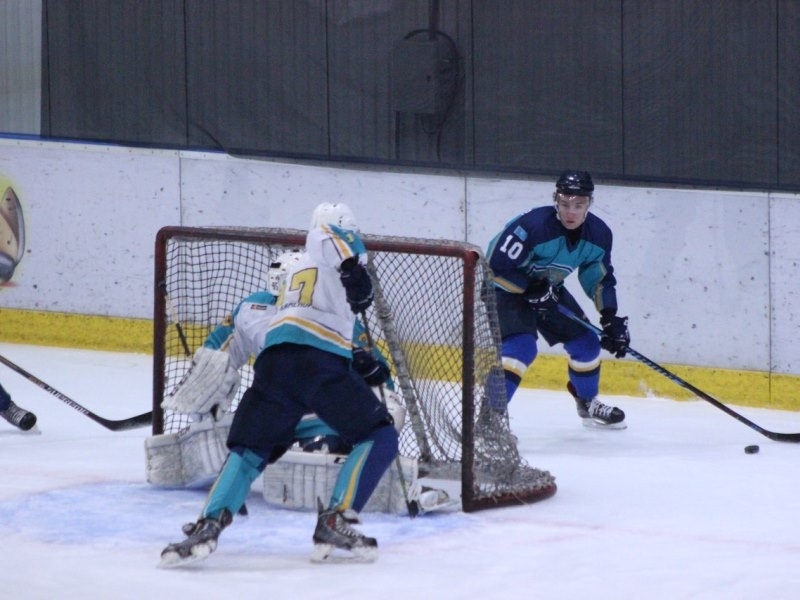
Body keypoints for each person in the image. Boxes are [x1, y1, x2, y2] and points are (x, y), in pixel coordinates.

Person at [160, 202, 399, 566]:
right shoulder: (336, 247)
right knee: (380, 433)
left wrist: (360, 358)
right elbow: (324, 238)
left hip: (275, 365)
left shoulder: (293, 276)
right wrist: (352, 268)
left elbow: (310, 318)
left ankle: (208, 524)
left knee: (250, 449)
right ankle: (336, 519)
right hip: (318, 365)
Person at [484, 170, 630, 429]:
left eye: (578, 205)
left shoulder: (598, 234)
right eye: (565, 204)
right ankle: (488, 421)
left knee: (587, 344)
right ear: (556, 201)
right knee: (520, 348)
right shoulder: (532, 226)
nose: (571, 212)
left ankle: (587, 403)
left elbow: (599, 277)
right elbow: (495, 268)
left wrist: (610, 318)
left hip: (549, 289)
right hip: (505, 290)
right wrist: (530, 288)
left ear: (589, 203)